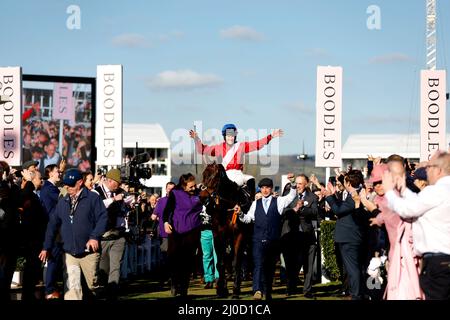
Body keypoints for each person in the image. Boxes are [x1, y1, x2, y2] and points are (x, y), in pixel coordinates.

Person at [383, 152, 450, 300]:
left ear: (438, 170)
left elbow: (407, 209)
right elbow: (418, 203)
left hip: (439, 262)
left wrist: (389, 192)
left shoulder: (436, 191)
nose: (426, 171)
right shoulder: (441, 191)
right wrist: (405, 191)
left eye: (429, 167)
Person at [39, 169, 108, 300]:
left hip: (89, 252)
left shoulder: (93, 198)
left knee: (93, 286)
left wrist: (94, 237)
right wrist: (46, 247)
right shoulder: (63, 202)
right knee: (72, 288)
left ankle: (100, 294)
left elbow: (103, 218)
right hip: (69, 252)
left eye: (71, 185)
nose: (67, 187)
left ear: (80, 182)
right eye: (66, 184)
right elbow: (52, 225)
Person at [239, 177, 296, 300]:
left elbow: (291, 196)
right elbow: (248, 219)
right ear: (260, 189)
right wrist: (240, 214)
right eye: (263, 188)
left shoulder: (279, 201)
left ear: (271, 188)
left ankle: (267, 291)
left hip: (273, 241)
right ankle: (257, 290)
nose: (265, 190)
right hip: (258, 240)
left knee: (269, 268)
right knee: (258, 265)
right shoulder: (255, 203)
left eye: (267, 188)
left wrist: (292, 183)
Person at [190, 124, 283, 198]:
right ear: (224, 136)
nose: (231, 138)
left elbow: (257, 144)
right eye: (228, 136)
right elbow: (202, 150)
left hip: (238, 174)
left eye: (232, 136)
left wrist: (270, 136)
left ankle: (251, 204)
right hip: (224, 174)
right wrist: (196, 139)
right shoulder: (218, 147)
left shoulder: (241, 145)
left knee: (251, 179)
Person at [325, 170, 367, 300]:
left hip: (350, 238)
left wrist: (329, 196)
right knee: (355, 268)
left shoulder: (355, 195)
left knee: (353, 269)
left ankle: (356, 295)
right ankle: (358, 293)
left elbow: (338, 210)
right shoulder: (355, 193)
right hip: (350, 237)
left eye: (345, 181)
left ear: (348, 182)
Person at [163, 173, 203, 297]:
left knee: (188, 261)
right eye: (190, 187)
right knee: (175, 259)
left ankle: (184, 288)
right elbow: (168, 209)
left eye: (194, 186)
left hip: (192, 231)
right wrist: (165, 222)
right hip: (176, 230)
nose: (193, 188)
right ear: (184, 186)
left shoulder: (199, 193)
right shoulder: (175, 193)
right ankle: (175, 283)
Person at [95, 169, 132, 300]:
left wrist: (127, 203)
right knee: (103, 267)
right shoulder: (96, 191)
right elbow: (98, 206)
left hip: (118, 234)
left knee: (116, 266)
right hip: (103, 236)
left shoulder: (119, 192)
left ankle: (112, 293)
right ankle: (102, 291)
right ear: (110, 181)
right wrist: (114, 199)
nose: (120, 185)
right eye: (118, 183)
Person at [281, 174, 318, 298]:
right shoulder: (289, 195)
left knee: (308, 264)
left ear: (306, 184)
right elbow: (282, 210)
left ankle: (307, 290)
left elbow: (315, 212)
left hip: (307, 235)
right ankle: (290, 288)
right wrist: (295, 209)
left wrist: (303, 209)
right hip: (291, 235)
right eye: (296, 183)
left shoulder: (312, 197)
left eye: (300, 183)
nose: (298, 186)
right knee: (292, 264)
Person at [39, 164, 63, 300]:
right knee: (52, 260)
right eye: (57, 172)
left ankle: (52, 288)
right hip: (52, 229)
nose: (59, 174)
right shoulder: (49, 189)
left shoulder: (51, 188)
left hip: (55, 229)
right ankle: (50, 290)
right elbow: (63, 199)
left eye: (59, 172)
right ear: (50, 174)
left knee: (54, 260)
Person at [0, 161, 20, 301]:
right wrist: (4, 182)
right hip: (2, 232)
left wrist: (13, 183)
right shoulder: (3, 186)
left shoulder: (12, 186)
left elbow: (16, 201)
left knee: (10, 265)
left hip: (12, 233)